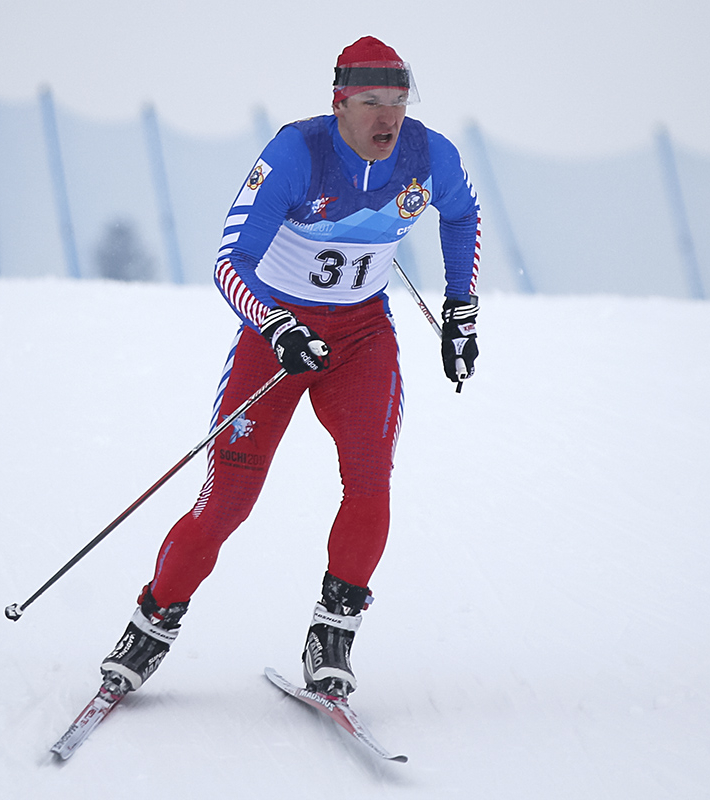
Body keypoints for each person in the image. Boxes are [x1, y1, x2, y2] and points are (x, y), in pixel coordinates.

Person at [99, 35, 482, 699]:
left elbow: (463, 213)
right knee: (228, 500)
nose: (387, 116)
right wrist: (277, 326)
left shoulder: (428, 154)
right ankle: (152, 622)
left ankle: (330, 638)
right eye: (370, 101)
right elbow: (229, 260)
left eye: (399, 99)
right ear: (339, 104)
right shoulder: (296, 154)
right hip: (276, 339)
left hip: (362, 338)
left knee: (370, 481)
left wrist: (460, 312)